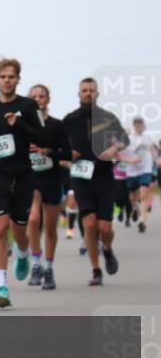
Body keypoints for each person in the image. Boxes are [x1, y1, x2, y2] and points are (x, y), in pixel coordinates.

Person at [0, 58, 47, 308]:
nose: (7, 80)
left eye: (11, 76)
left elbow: (41, 136)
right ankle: (2, 288)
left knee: (20, 229)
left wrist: (20, 124)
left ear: (18, 79)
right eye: (2, 76)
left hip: (22, 174)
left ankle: (24, 253)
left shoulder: (27, 106)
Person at [62, 78, 129, 286]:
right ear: (79, 94)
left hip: (103, 177)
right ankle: (95, 269)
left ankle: (107, 250)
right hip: (81, 177)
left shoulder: (108, 118)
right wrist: (67, 155)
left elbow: (124, 139)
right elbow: (60, 146)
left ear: (97, 93)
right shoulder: (69, 120)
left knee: (105, 228)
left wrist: (114, 148)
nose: (88, 93)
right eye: (84, 90)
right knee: (90, 224)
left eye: (91, 90)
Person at [24, 84, 71, 290]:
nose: (38, 99)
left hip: (51, 178)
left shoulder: (57, 125)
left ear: (48, 99)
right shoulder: (22, 125)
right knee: (33, 220)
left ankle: (49, 268)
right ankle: (36, 264)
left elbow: (67, 153)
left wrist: (47, 152)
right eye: (33, 96)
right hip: (30, 179)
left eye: (41, 96)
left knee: (50, 227)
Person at [124, 117, 156, 233]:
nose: (139, 126)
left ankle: (142, 221)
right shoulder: (128, 138)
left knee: (143, 194)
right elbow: (121, 154)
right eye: (136, 124)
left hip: (145, 169)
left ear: (143, 125)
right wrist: (130, 160)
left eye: (140, 124)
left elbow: (152, 150)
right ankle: (134, 207)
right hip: (131, 170)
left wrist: (155, 160)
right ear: (134, 126)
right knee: (133, 195)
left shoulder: (148, 137)